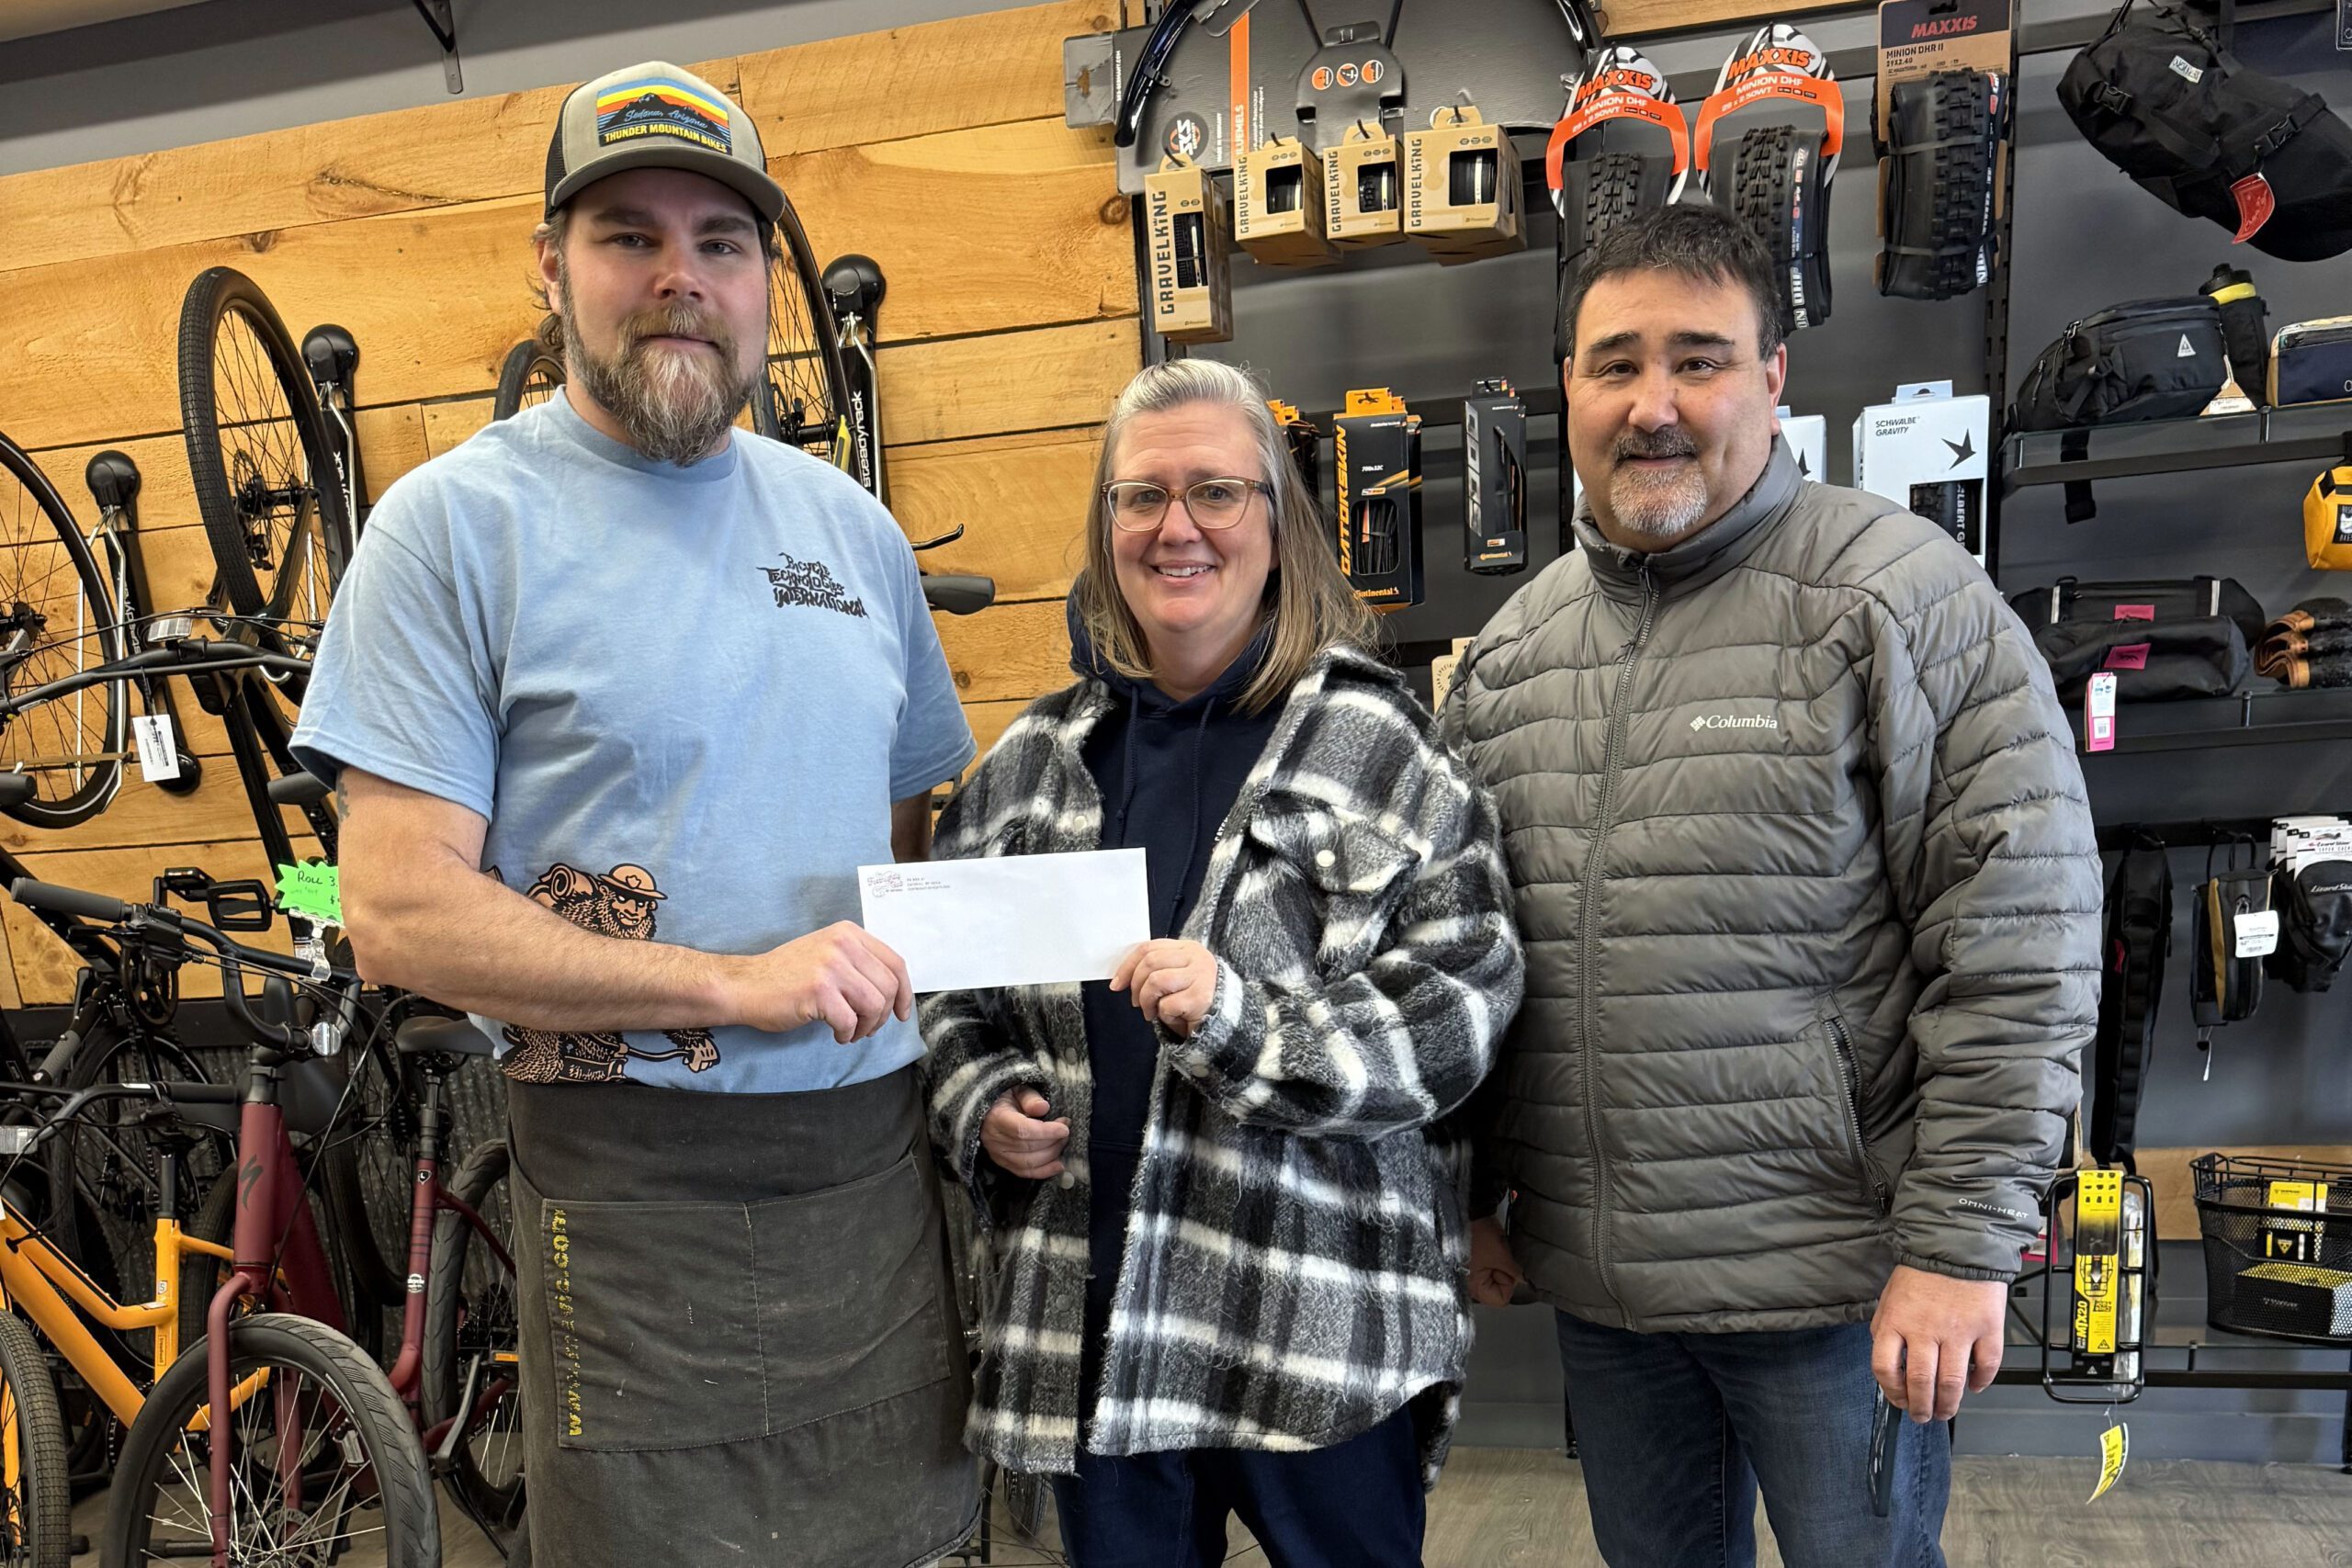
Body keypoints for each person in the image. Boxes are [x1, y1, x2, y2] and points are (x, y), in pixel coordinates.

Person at [290, 61, 979, 1568]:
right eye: (629, 237)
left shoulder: (853, 532)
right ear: (550, 269)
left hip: (872, 1177)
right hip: (629, 1184)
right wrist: (730, 985)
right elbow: (395, 913)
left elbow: (913, 836)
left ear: (764, 284)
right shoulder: (450, 531)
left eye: (722, 242)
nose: (682, 279)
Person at [1444, 204, 2101, 1568]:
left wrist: (1960, 1247)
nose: (1654, 405)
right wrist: (1472, 1191)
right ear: (1567, 387)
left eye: (1700, 360)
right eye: (1616, 364)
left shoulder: (1901, 599)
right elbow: (1472, 963)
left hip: (1840, 1287)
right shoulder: (1510, 657)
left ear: (1774, 377)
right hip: (1609, 1295)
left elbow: (2020, 945)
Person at [921, 359, 1522, 1568]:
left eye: (1215, 492)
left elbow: (1461, 1005)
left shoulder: (1379, 745)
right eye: (1142, 496)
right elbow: (945, 990)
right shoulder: (1031, 764)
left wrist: (1247, 1025)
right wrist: (980, 1102)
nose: (1176, 527)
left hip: (1318, 1325)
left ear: (1278, 521)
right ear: (1107, 529)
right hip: (1093, 1319)